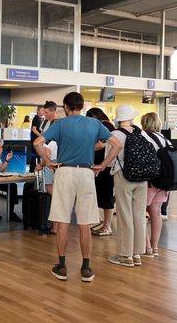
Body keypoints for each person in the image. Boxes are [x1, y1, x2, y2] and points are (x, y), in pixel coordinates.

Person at [34, 92, 122, 283]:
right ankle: (86, 268)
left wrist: (48, 161)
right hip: (86, 172)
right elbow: (116, 144)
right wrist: (104, 164)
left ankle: (62, 266)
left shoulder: (59, 124)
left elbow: (37, 142)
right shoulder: (94, 124)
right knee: (85, 222)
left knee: (63, 220)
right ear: (82, 106)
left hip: (64, 172)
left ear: (66, 106)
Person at [106, 105, 148, 268]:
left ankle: (125, 255)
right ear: (131, 118)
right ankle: (137, 253)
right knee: (139, 215)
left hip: (123, 176)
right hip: (143, 178)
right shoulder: (141, 133)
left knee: (124, 215)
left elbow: (109, 157)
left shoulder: (114, 134)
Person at [141, 112, 168, 258]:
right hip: (164, 181)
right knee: (156, 213)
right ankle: (155, 247)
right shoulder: (164, 139)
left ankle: (147, 248)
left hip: (149, 181)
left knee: (140, 213)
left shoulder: (144, 137)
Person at [86, 107, 116, 237]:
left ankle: (107, 226)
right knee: (102, 194)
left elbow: (101, 145)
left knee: (106, 195)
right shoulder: (107, 125)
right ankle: (103, 223)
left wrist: (84, 148)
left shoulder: (105, 125)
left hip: (105, 166)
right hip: (102, 165)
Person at [29, 106, 45, 172]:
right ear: (38, 111)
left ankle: (34, 170)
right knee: (35, 156)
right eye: (41, 110)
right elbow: (34, 129)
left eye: (43, 111)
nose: (43, 112)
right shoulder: (36, 118)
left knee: (37, 156)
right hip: (35, 140)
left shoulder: (40, 119)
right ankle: (32, 170)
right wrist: (41, 136)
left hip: (38, 140)